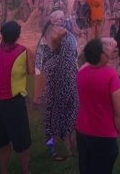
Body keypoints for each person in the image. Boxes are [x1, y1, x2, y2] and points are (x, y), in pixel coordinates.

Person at [76, 38, 120, 174]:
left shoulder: (81, 72)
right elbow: (119, 118)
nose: (110, 55)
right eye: (107, 53)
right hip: (103, 137)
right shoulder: (111, 76)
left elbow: (92, 49)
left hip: (82, 132)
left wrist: (106, 45)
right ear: (101, 56)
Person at [34, 10, 78, 161]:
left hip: (69, 83)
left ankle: (70, 144)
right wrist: (38, 93)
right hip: (51, 87)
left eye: (63, 18)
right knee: (50, 120)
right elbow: (39, 69)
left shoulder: (69, 37)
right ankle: (53, 149)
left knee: (70, 115)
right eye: (58, 19)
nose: (61, 21)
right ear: (51, 21)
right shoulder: (44, 43)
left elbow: (75, 59)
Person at [0, 21, 32, 174]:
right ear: (17, 36)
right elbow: (31, 72)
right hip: (14, 102)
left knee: (2, 141)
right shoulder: (23, 51)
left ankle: (3, 170)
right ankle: (25, 170)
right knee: (22, 141)